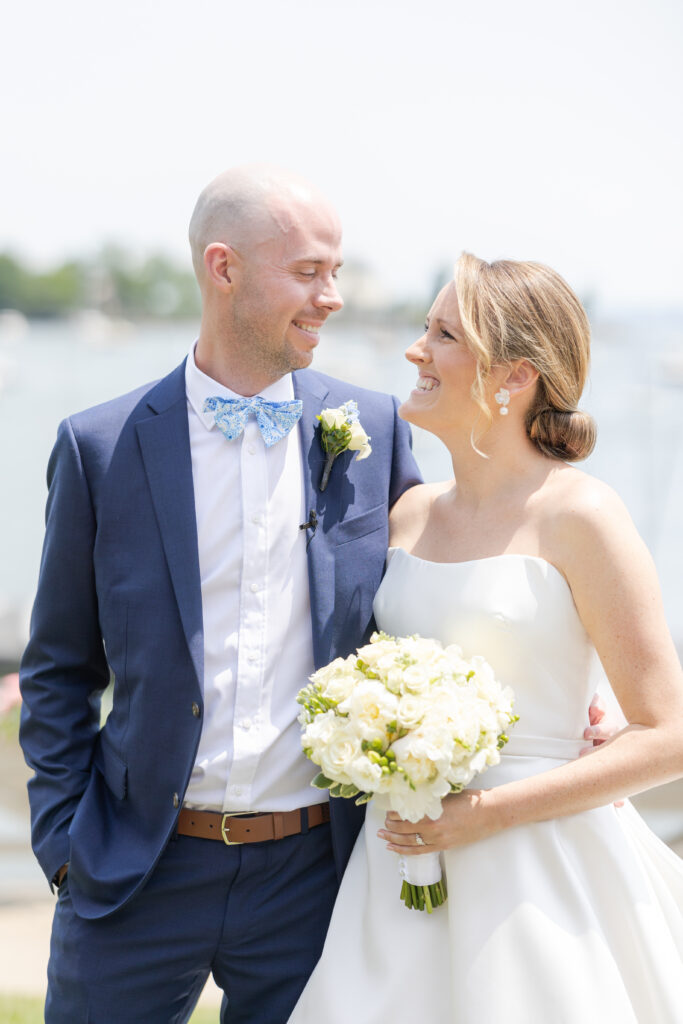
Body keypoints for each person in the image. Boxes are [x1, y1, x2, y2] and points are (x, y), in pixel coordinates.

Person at [18, 165, 422, 1023]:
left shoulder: (374, 430)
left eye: (337, 271)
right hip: (137, 871)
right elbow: (58, 667)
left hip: (316, 880)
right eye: (309, 272)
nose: (333, 297)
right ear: (223, 268)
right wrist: (64, 843)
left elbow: (425, 615)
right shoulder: (97, 447)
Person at [288, 254, 683, 1023]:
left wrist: (491, 814)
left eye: (442, 334)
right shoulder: (405, 515)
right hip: (397, 858)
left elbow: (667, 735)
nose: (416, 350)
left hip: (537, 867)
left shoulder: (581, 517)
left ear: (512, 377)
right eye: (423, 329)